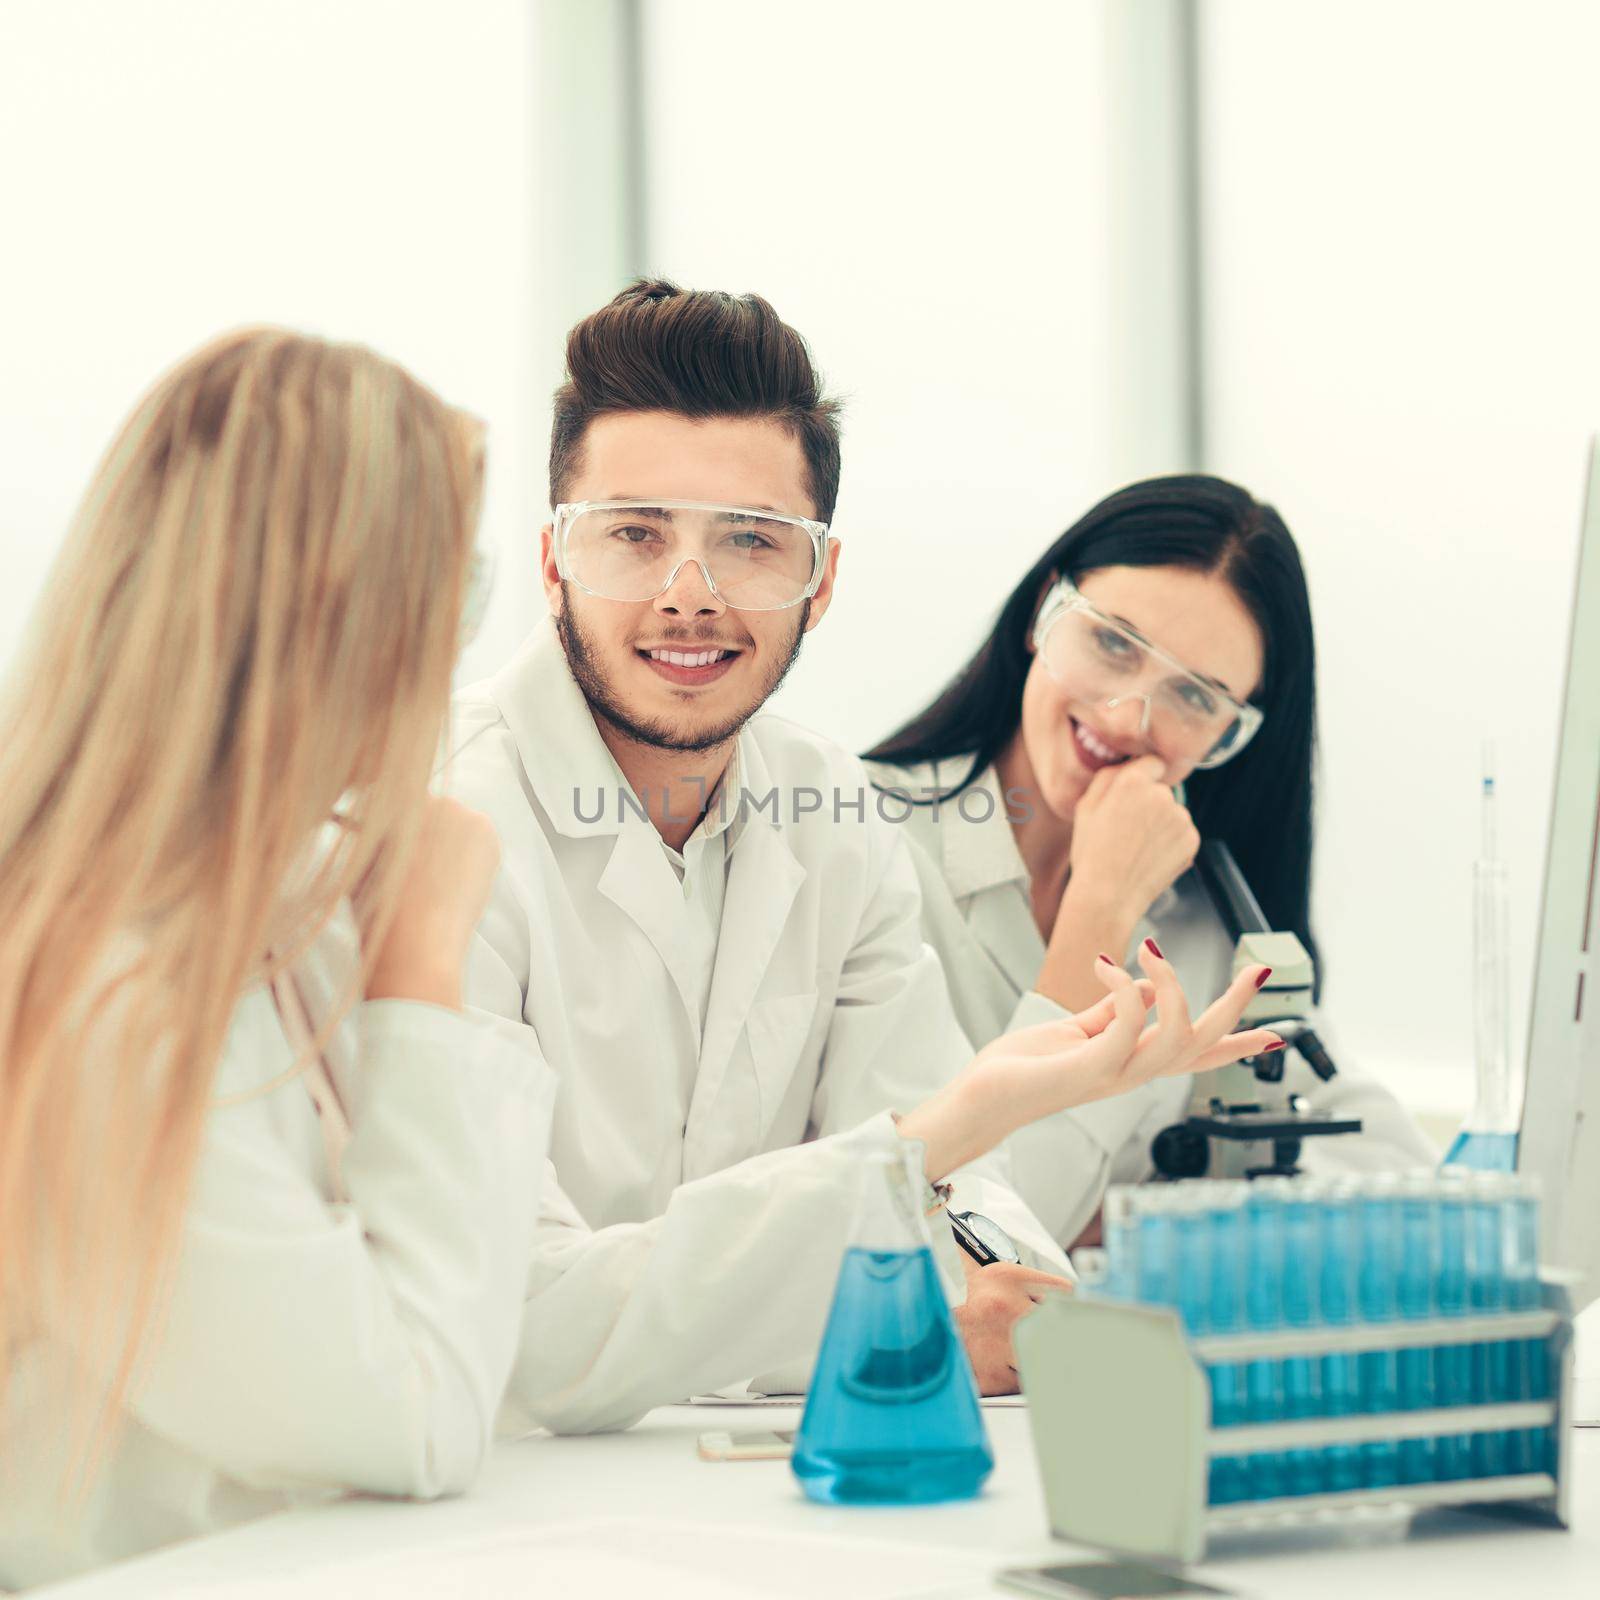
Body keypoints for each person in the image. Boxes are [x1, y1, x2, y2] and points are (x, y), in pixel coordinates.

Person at [450, 282, 1282, 1430]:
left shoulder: (827, 811)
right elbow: (530, 1326)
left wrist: (968, 1275)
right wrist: (913, 1304)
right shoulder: (440, 824)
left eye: (751, 542)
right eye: (634, 534)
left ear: (821, 581)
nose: (688, 597)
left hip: (759, 1487)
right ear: (552, 561)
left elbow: (957, 1207)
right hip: (500, 1502)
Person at [0, 330, 557, 1588]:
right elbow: (414, 1414)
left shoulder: (244, 921)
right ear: (342, 616)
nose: (461, 642)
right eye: (450, 592)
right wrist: (417, 966)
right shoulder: (108, 996)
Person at [863, 474, 1436, 1251]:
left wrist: (1130, 1223)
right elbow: (966, 1242)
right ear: (1044, 615)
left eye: (1196, 697)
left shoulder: (1207, 920)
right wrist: (1098, 910)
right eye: (1112, 642)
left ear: (1232, 738)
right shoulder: (864, 843)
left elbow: (1396, 1181)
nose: (1127, 717)